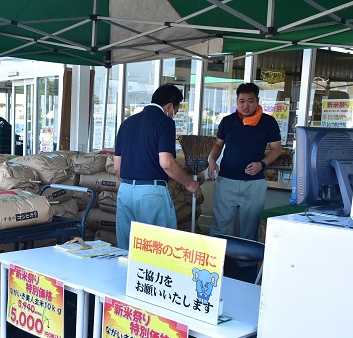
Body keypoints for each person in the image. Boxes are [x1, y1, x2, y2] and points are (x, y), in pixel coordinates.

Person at [114, 84, 202, 250]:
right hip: (151, 193)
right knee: (158, 249)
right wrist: (189, 183)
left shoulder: (127, 123)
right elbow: (166, 162)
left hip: (125, 190)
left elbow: (117, 168)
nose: (174, 115)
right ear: (169, 106)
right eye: (175, 111)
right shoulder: (165, 123)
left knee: (125, 249)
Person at [208, 82, 282, 241]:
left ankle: (244, 265)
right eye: (242, 101)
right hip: (227, 180)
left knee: (249, 229)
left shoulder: (268, 122)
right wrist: (212, 160)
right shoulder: (227, 121)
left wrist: (261, 164)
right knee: (219, 225)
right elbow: (218, 144)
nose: (246, 105)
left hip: (254, 184)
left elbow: (277, 149)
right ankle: (214, 264)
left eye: (250, 101)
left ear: (257, 101)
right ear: (237, 101)